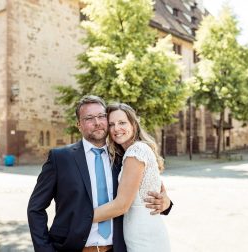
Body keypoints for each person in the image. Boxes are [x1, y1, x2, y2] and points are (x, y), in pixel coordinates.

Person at [27, 95, 172, 252]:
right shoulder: (60, 158)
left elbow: (152, 190)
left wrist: (166, 203)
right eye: (89, 118)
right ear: (79, 125)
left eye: (101, 116)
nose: (97, 123)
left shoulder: (124, 157)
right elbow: (35, 208)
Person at [92, 103, 171, 251]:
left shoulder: (136, 151)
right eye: (111, 124)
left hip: (143, 235)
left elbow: (122, 205)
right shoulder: (126, 153)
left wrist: (79, 218)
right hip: (138, 231)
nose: (116, 128)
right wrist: (165, 200)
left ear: (133, 124)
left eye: (122, 122)